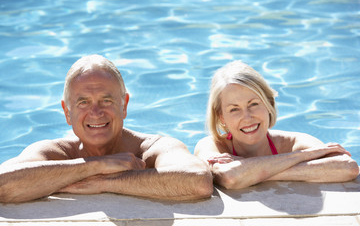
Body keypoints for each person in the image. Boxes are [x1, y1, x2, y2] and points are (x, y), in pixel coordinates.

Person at [0, 55, 213, 203]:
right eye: (83, 102)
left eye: (106, 100)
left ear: (124, 105)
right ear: (67, 111)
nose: (96, 112)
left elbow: (199, 181)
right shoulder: (55, 152)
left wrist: (106, 181)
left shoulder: (153, 148)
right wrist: (97, 165)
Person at [195, 60, 359, 189]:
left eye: (253, 104)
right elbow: (230, 177)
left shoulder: (294, 142)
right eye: (234, 109)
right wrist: (302, 157)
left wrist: (251, 172)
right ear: (221, 117)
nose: (247, 117)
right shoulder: (211, 145)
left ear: (269, 104)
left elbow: (347, 168)